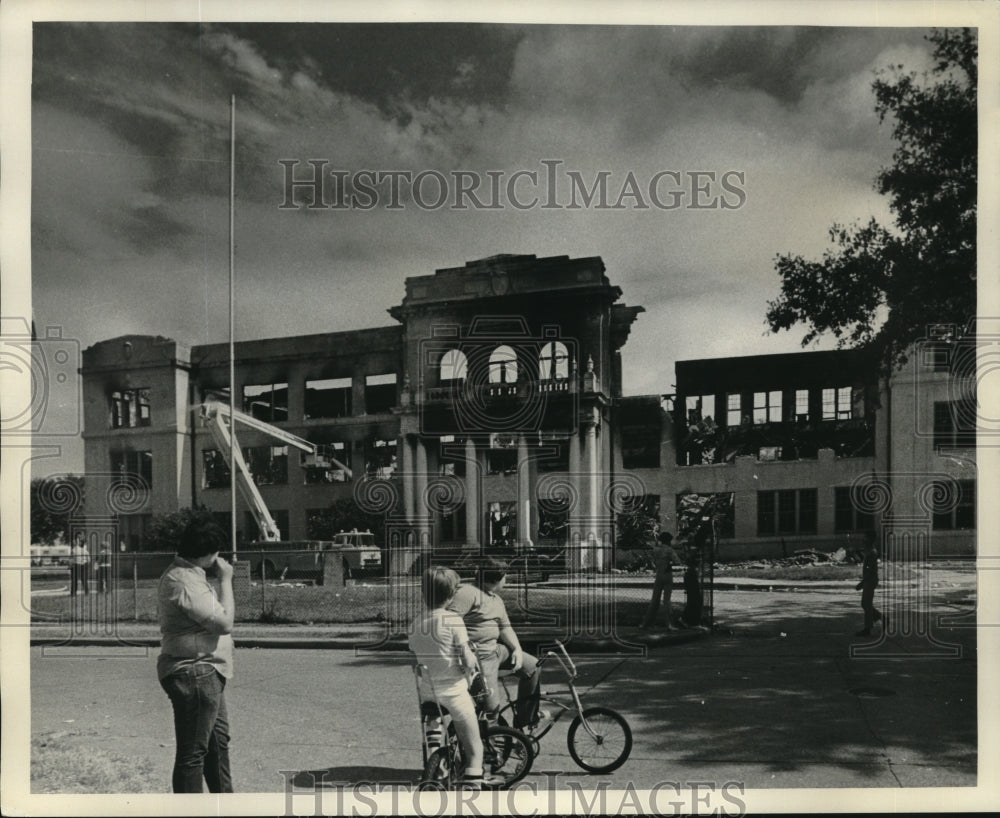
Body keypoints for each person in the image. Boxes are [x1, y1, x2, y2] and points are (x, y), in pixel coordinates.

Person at [157, 512, 234, 793]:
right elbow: (224, 622)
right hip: (195, 673)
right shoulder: (184, 582)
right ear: (211, 553)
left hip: (206, 671)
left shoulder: (189, 575)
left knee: (217, 744)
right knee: (194, 754)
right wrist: (226, 580)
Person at [408, 566, 485, 790]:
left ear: (423, 594)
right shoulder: (453, 621)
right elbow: (467, 658)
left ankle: (436, 767)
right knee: (474, 747)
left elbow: (417, 655)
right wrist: (470, 668)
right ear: (452, 595)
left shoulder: (415, 625)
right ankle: (472, 788)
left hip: (428, 691)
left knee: (434, 724)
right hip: (454, 692)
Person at [447, 558, 542, 730]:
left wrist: (517, 650)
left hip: (496, 650)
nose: (507, 579)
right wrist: (464, 650)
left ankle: (524, 723)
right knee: (491, 708)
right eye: (505, 576)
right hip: (480, 657)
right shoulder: (468, 593)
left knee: (532, 667)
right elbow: (450, 622)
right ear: (496, 579)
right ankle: (489, 750)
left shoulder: (495, 599)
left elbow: (505, 628)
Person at [641, 531, 680, 630]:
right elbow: (677, 561)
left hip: (659, 574)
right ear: (668, 540)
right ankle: (668, 624)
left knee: (655, 600)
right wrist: (670, 563)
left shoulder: (655, 549)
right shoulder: (669, 550)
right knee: (666, 601)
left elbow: (653, 561)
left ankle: (646, 623)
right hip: (667, 574)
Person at [855, 532, 884, 637]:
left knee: (866, 604)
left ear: (869, 540)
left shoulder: (871, 553)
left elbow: (870, 570)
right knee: (865, 604)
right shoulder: (870, 552)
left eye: (865, 539)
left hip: (870, 580)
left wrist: (862, 583)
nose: (863, 541)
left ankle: (868, 629)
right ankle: (882, 619)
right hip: (870, 580)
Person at [679, 548, 704, 628]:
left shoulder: (692, 570)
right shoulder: (691, 570)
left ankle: (688, 620)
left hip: (692, 581)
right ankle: (690, 621)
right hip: (692, 581)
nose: (699, 559)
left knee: (694, 602)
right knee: (694, 602)